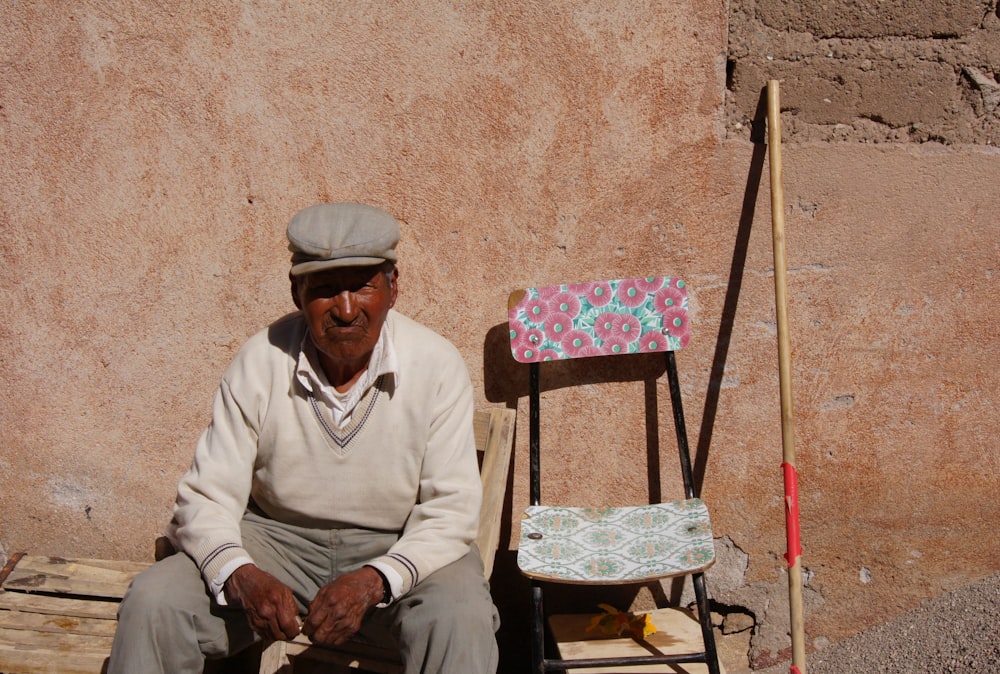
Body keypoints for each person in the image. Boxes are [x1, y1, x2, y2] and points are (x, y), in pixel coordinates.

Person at [109, 203, 499, 673]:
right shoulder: (260, 360)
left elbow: (450, 513)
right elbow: (205, 497)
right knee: (155, 602)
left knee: (461, 614)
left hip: (396, 545)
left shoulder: (436, 365)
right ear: (296, 293)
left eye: (362, 285)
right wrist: (241, 574)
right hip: (275, 542)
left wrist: (375, 580)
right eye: (325, 289)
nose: (346, 308)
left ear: (393, 288)